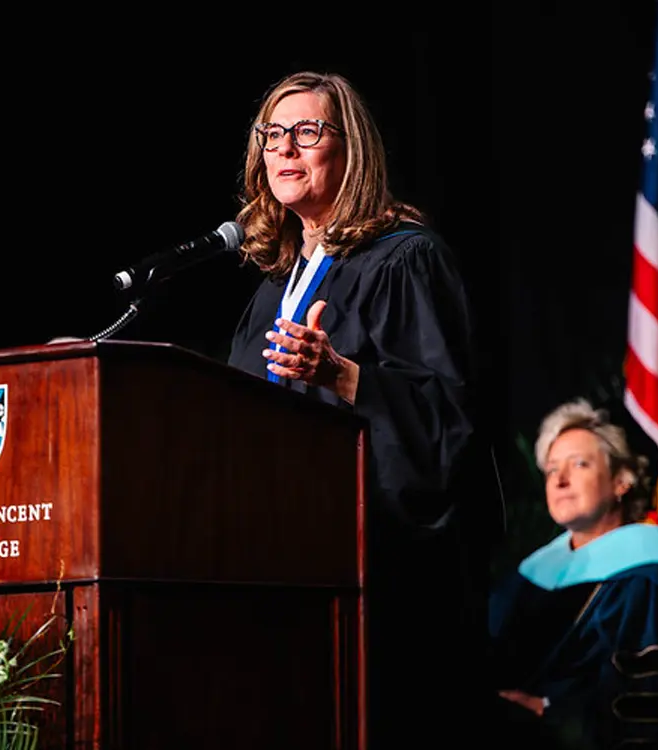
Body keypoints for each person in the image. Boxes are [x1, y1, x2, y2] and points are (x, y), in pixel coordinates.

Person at [225, 71, 499, 745]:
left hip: (384, 590)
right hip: (280, 578)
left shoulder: (404, 261)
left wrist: (348, 380)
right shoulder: (272, 292)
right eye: (272, 134)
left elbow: (450, 428)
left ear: (352, 151)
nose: (286, 147)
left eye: (308, 131)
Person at [489, 399, 658, 748]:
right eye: (551, 470)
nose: (560, 480)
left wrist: (549, 710)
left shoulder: (655, 586)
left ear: (621, 481)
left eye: (579, 464)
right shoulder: (526, 579)